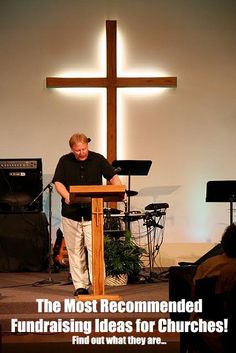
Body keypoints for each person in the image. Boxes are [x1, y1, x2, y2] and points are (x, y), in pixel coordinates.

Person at [52, 132, 123, 296]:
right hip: (71, 214)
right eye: (77, 150)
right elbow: (58, 182)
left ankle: (98, 284)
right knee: (75, 251)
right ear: (72, 149)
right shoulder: (64, 161)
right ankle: (80, 286)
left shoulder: (98, 159)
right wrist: (67, 195)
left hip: (94, 213)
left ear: (87, 146)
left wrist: (119, 190)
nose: (81, 153)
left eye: (84, 149)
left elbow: (112, 177)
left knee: (96, 250)